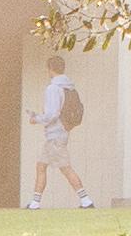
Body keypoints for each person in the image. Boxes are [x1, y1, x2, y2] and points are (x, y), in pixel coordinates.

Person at [30, 55, 94, 206]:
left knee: (65, 168)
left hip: (55, 135)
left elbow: (52, 114)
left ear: (50, 69)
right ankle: (35, 202)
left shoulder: (53, 88)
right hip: (61, 133)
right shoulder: (68, 87)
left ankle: (86, 200)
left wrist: (36, 119)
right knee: (41, 166)